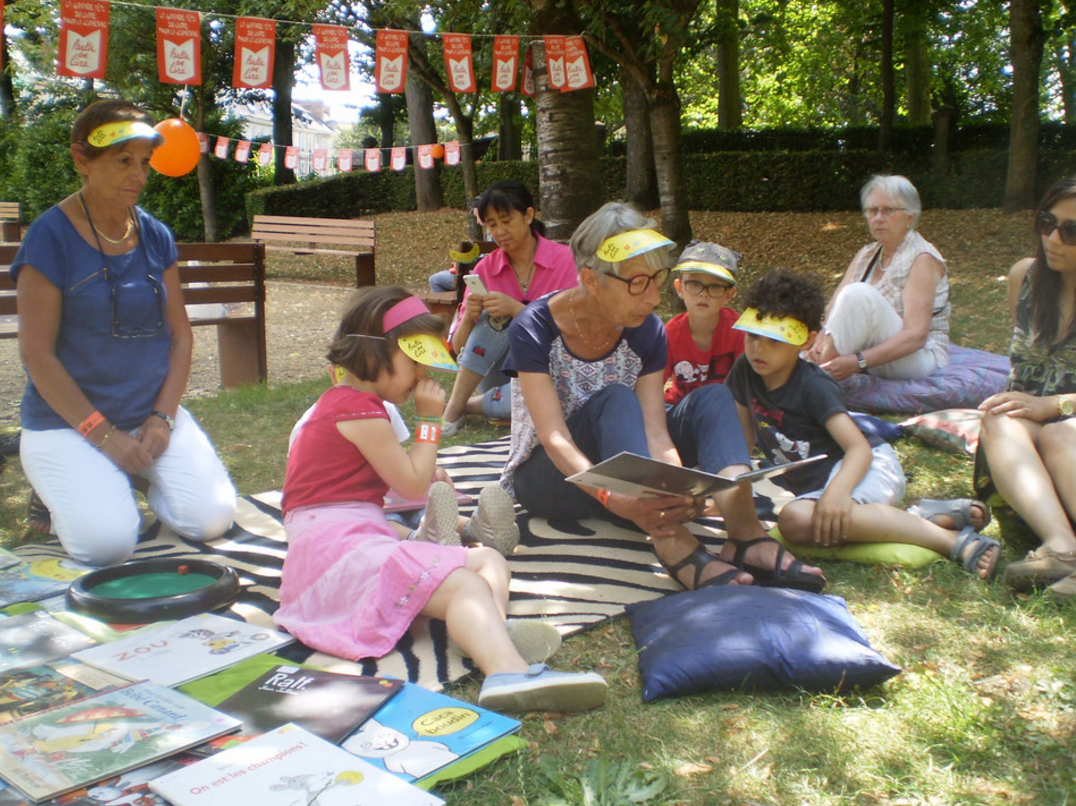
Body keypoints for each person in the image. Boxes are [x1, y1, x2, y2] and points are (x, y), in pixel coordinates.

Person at [275, 286, 607, 713]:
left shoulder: (346, 405)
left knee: (489, 560)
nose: (422, 374)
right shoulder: (359, 411)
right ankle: (506, 672)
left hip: (353, 537)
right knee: (464, 583)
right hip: (338, 556)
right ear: (376, 354)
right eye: (415, 361)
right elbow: (414, 488)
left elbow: (391, 481)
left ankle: (489, 634)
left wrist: (423, 466)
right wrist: (431, 419)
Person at [501, 202, 826, 592]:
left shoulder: (645, 328)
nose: (654, 297)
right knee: (616, 399)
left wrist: (678, 489)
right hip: (555, 480)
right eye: (638, 282)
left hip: (629, 476)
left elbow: (656, 431)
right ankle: (673, 542)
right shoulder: (534, 328)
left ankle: (746, 536)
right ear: (591, 280)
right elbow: (554, 437)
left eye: (658, 279)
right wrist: (613, 496)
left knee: (713, 397)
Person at [11, 100, 236, 567]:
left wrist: (163, 418)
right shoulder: (49, 237)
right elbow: (36, 355)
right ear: (82, 160)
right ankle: (65, 486)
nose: (139, 175)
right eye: (123, 160)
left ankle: (126, 477)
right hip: (69, 424)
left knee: (211, 519)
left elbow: (181, 338)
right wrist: (103, 436)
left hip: (147, 416)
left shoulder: (155, 235)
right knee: (107, 546)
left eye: (145, 162)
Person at [727, 270, 1000, 579]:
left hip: (865, 467)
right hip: (824, 485)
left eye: (775, 340)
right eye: (752, 336)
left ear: (807, 339)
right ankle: (921, 515)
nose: (758, 349)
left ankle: (952, 541)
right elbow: (740, 444)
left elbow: (859, 449)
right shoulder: (744, 371)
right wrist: (728, 494)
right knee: (800, 521)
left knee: (795, 521)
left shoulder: (813, 385)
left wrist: (837, 493)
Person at [978, 175, 1076, 599]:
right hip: (1021, 434)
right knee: (997, 416)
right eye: (1046, 223)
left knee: (1060, 433)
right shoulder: (1027, 277)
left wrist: (1054, 405)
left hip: (1066, 428)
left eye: (1071, 231)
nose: (1052, 238)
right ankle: (1062, 547)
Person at [441, 181, 578, 436]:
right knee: (495, 318)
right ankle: (455, 408)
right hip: (497, 370)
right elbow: (458, 348)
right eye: (492, 225)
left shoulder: (565, 261)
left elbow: (576, 330)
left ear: (528, 215)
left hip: (552, 372)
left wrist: (519, 310)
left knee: (548, 398)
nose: (499, 231)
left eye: (506, 221)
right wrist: (469, 318)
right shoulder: (485, 269)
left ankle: (466, 406)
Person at [806, 174, 950, 381]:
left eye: (888, 210)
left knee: (857, 294)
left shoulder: (922, 258)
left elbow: (916, 336)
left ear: (910, 217)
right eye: (873, 210)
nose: (878, 218)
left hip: (917, 357)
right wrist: (821, 339)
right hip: (868, 348)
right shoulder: (866, 254)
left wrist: (858, 361)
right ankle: (815, 370)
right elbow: (833, 309)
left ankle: (814, 379)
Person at [663, 240, 745, 405]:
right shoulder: (670, 333)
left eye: (715, 286)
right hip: (680, 407)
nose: (703, 294)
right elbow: (652, 386)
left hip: (724, 410)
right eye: (694, 284)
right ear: (679, 288)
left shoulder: (739, 331)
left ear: (729, 295)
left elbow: (746, 389)